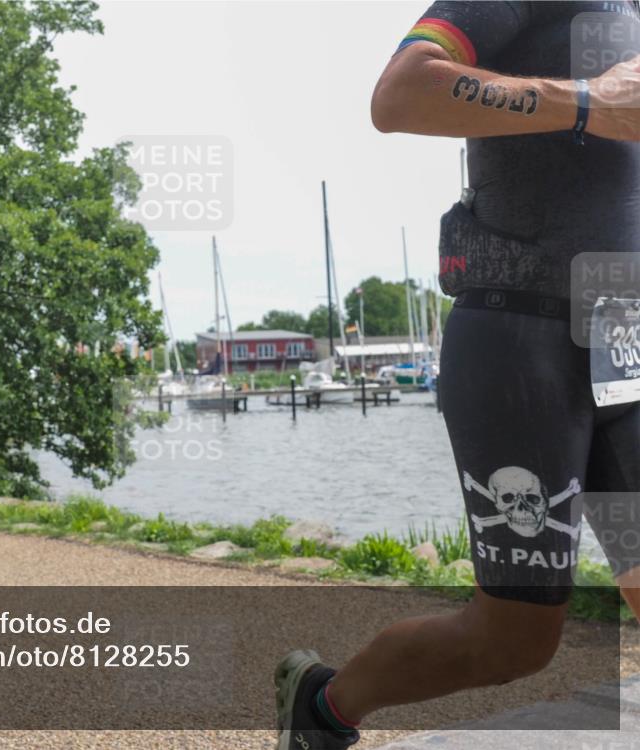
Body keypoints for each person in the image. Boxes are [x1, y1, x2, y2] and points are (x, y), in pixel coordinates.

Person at [274, 3, 640, 749]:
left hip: (625, 339)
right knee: (514, 641)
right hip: (518, 343)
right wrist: (586, 104)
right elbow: (401, 94)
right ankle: (323, 704)